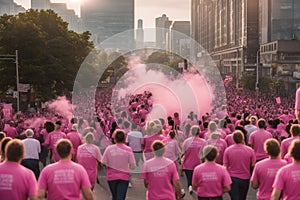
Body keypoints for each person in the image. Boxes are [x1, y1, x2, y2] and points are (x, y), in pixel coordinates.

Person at [101, 129, 136, 200]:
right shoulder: (128, 149)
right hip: (124, 177)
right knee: (121, 197)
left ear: (115, 138)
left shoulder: (109, 149)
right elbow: (133, 166)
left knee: (115, 196)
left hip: (111, 177)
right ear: (124, 139)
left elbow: (103, 162)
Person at [223, 130, 256, 200]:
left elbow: (225, 165)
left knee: (235, 197)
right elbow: (253, 164)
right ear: (243, 138)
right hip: (245, 177)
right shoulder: (250, 150)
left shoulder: (228, 150)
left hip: (232, 177)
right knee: (243, 197)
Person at [181, 125, 205, 194]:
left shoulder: (186, 141)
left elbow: (183, 152)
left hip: (188, 164)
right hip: (199, 164)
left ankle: (190, 186)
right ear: (199, 132)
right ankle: (197, 189)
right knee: (198, 179)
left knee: (189, 178)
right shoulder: (203, 141)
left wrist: (180, 159)